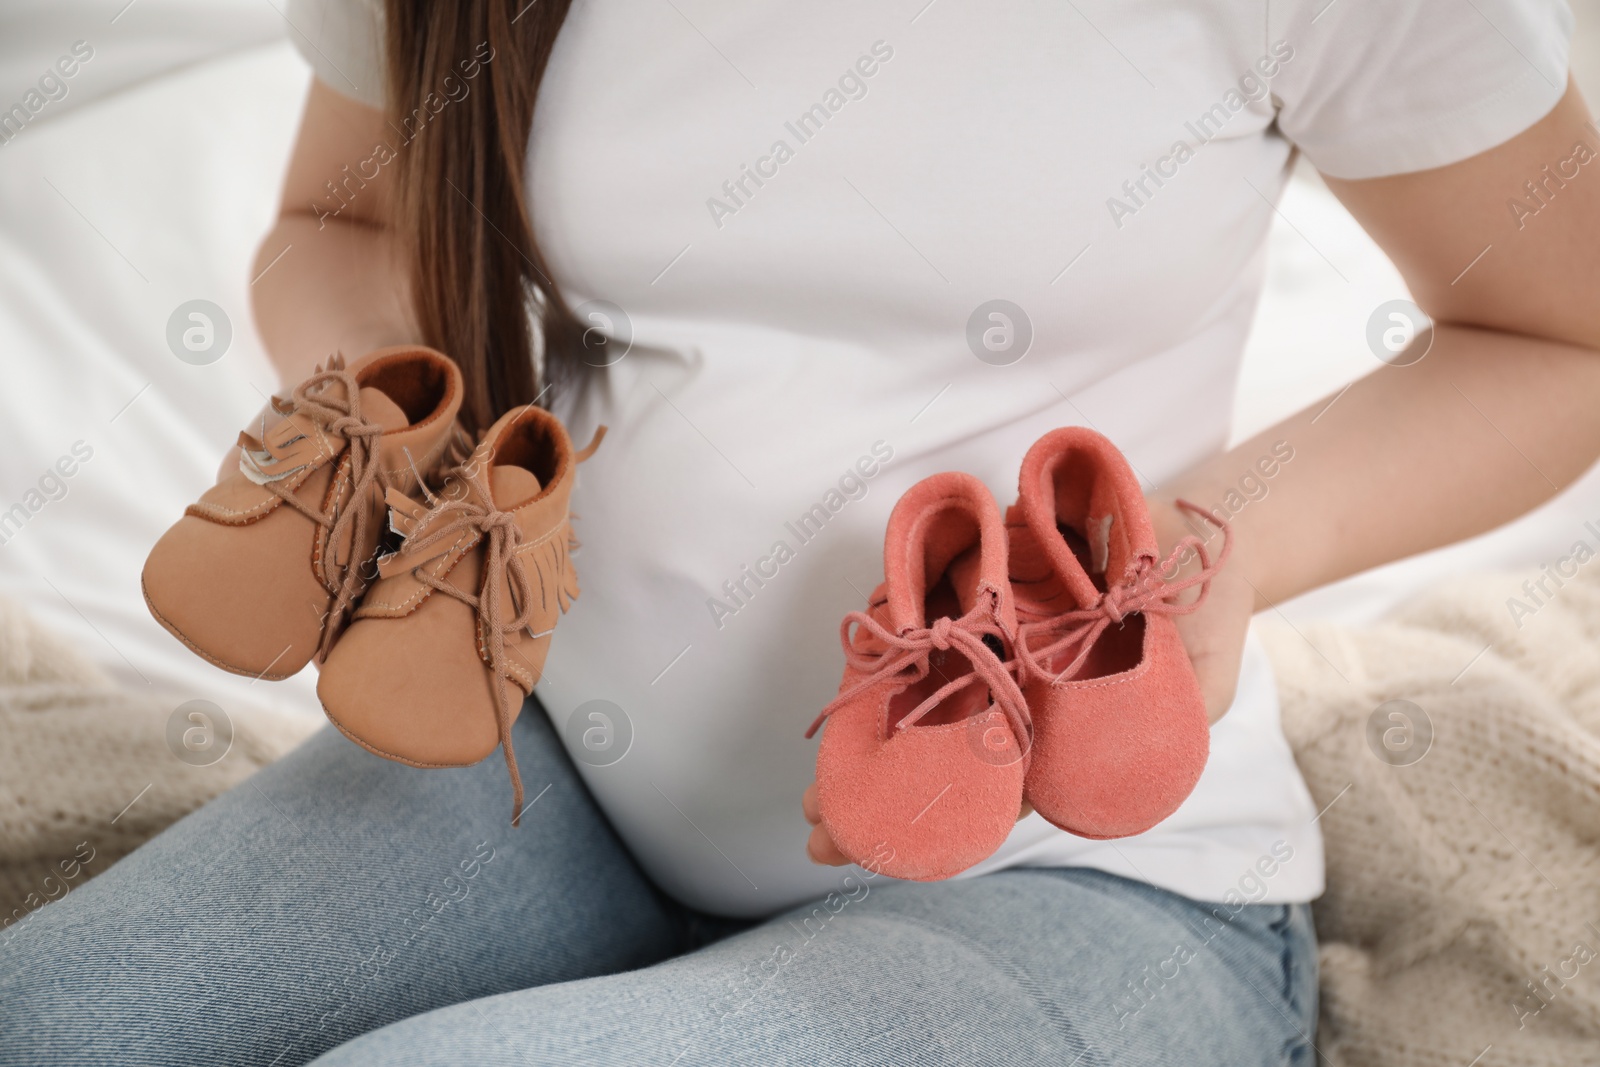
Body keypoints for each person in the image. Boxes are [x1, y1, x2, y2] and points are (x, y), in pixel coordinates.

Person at [4, 1, 1598, 1064]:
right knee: (61, 1023)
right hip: (551, 767)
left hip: (1078, 883)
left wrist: (1227, 546)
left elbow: (1561, 332)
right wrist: (409, 440)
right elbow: (335, 226)